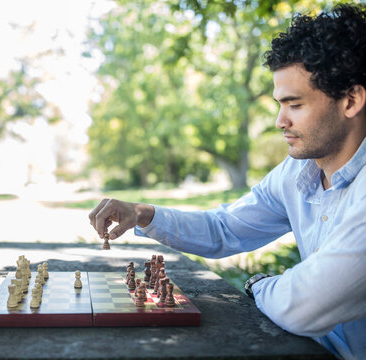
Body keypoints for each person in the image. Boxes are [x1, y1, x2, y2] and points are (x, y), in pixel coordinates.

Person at [89, 4, 365, 360]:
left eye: (294, 105)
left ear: (351, 100)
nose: (280, 120)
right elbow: (225, 228)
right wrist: (142, 213)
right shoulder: (298, 172)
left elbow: (304, 305)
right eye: (279, 104)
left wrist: (258, 285)